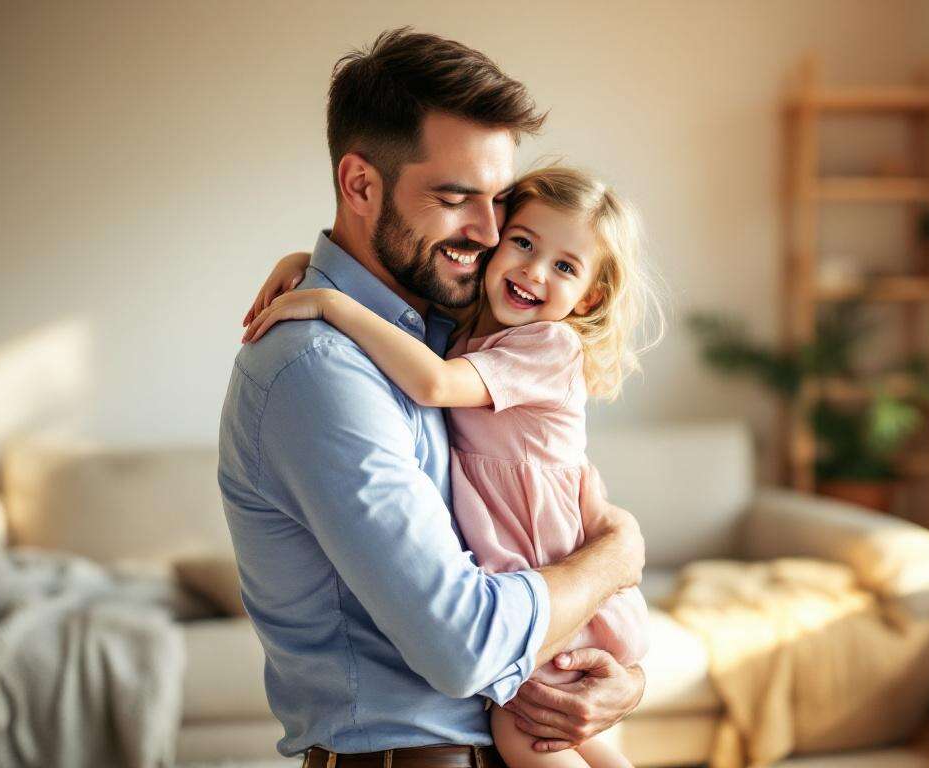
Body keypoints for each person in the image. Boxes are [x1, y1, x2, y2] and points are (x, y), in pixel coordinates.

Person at [217, 29, 647, 768]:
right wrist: (616, 557)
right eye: (455, 200)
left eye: (498, 203)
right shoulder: (319, 370)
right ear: (360, 186)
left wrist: (624, 682)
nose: (488, 234)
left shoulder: (440, 326)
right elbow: (465, 648)